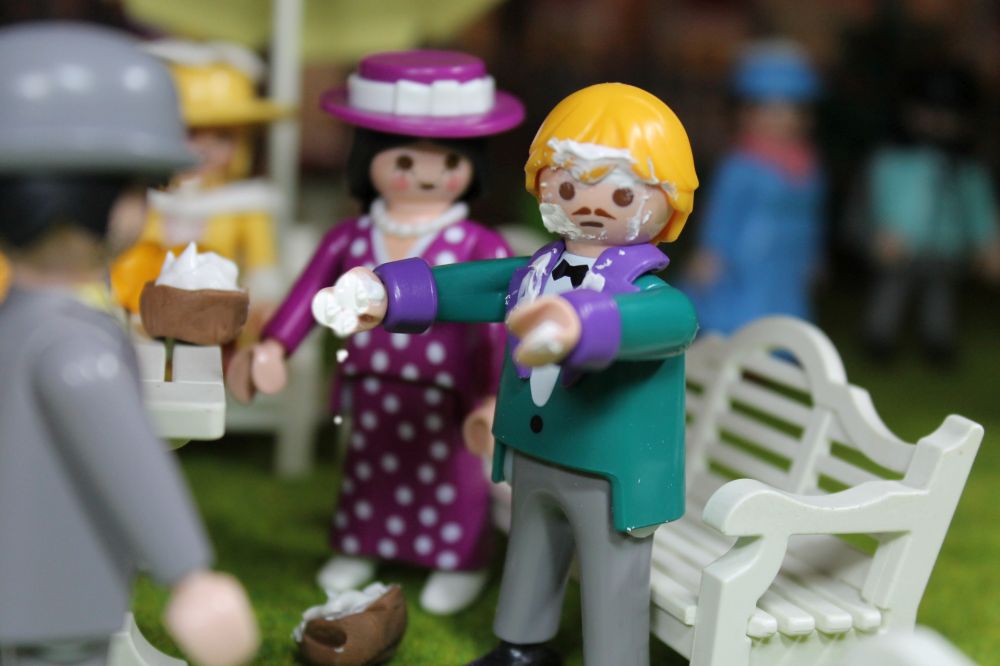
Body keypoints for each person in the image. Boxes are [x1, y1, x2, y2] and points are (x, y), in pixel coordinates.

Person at [312, 82, 699, 666]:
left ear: (668, 202)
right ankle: (520, 645)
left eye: (621, 195)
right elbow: (465, 285)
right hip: (535, 449)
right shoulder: (536, 272)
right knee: (531, 552)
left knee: (611, 573)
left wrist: (581, 323)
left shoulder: (650, 295)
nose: (590, 207)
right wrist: (387, 292)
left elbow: (665, 321)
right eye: (567, 187)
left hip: (611, 468)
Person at [228, 50, 523, 614]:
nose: (428, 175)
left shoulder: (479, 245)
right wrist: (274, 346)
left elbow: (495, 321)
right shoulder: (351, 236)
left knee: (451, 476)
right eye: (405, 160)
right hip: (372, 383)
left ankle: (457, 558)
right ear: (369, 160)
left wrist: (492, 393)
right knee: (370, 469)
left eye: (449, 160)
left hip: (451, 392)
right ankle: (362, 544)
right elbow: (308, 294)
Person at [0, 23, 258, 666]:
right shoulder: (74, 350)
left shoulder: (19, 323)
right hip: (56, 597)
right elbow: (131, 466)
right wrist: (190, 576)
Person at [110, 40, 288, 336]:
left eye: (223, 137)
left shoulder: (246, 205)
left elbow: (263, 271)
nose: (205, 148)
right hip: (139, 318)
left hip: (217, 325)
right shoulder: (147, 200)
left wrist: (262, 307)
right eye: (191, 133)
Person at [861, 60, 1000, 363]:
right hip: (902, 242)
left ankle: (938, 341)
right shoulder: (892, 161)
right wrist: (880, 230)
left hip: (946, 245)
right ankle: (879, 336)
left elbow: (979, 207)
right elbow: (876, 198)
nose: (939, 120)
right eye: (929, 110)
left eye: (950, 113)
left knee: (940, 296)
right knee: (892, 290)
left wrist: (988, 242)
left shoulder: (968, 169)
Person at [684, 40, 825, 334]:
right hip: (746, 257)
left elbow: (813, 213)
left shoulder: (807, 164)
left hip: (787, 259)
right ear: (745, 113)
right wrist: (711, 251)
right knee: (743, 313)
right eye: (767, 110)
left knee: (783, 311)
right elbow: (722, 210)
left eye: (787, 110)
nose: (778, 120)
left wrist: (812, 255)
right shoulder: (740, 164)